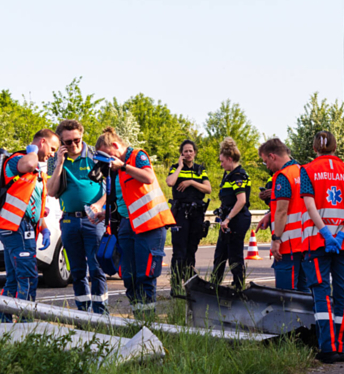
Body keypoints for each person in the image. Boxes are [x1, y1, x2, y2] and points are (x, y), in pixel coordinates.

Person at [96, 127, 175, 318]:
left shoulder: (136, 156)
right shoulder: (114, 169)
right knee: (129, 276)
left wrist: (122, 166)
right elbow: (123, 197)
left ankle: (148, 323)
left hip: (149, 224)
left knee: (145, 275)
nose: (108, 161)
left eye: (108, 155)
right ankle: (139, 318)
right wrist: (105, 211)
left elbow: (148, 177)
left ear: (115, 146)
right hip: (127, 224)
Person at [300, 130, 344, 363]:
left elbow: (310, 206)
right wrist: (341, 235)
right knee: (343, 295)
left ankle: (327, 349)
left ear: (315, 148)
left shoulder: (307, 170)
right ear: (335, 147)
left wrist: (326, 233)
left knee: (321, 295)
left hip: (318, 241)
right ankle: (341, 347)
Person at [0, 129, 60, 322]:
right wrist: (32, 152)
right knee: (29, 278)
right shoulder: (17, 160)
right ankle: (25, 323)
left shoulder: (39, 172)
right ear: (42, 142)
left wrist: (45, 227)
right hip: (16, 228)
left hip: (24, 228)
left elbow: (35, 205)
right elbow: (29, 163)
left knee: (14, 280)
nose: (53, 154)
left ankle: (3, 323)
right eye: (52, 148)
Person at [46, 119, 108, 313]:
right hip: (69, 220)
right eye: (68, 142)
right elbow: (51, 191)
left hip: (93, 220)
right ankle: (83, 311)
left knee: (97, 268)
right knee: (78, 270)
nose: (73, 145)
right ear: (61, 143)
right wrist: (59, 165)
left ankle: (101, 311)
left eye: (77, 140)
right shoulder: (54, 160)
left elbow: (113, 187)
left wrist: (98, 205)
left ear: (82, 137)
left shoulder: (95, 156)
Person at [258, 138, 309, 291]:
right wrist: (269, 214)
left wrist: (276, 240)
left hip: (288, 245)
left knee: (286, 294)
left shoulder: (283, 177)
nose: (267, 166)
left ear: (273, 156)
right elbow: (299, 204)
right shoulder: (303, 171)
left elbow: (282, 211)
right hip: (306, 243)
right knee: (305, 292)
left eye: (266, 161)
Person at [165, 140, 211, 296]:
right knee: (179, 251)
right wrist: (179, 167)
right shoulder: (175, 168)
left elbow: (208, 189)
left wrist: (191, 182)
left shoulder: (200, 170)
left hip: (196, 215)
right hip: (181, 214)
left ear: (195, 153)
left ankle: (189, 285)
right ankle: (176, 285)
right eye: (185, 151)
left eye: (191, 151)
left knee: (191, 251)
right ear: (181, 154)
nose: (188, 153)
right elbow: (170, 182)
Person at [211, 137, 252, 289]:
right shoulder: (229, 174)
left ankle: (238, 286)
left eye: (222, 161)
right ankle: (214, 285)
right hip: (228, 219)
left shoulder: (237, 175)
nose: (221, 165)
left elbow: (241, 200)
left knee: (234, 255)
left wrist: (228, 219)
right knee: (220, 254)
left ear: (229, 159)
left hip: (236, 219)